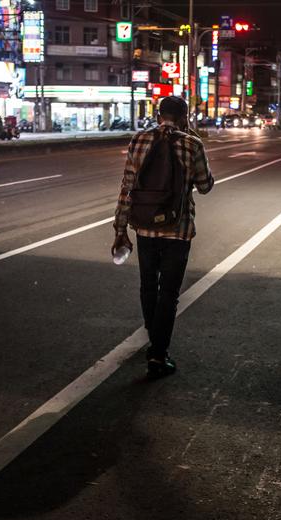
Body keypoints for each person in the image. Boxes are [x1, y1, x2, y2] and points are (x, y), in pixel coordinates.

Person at [112, 96, 214, 378]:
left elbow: (127, 187)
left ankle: (152, 334)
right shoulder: (192, 143)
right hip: (177, 230)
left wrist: (120, 229)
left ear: (159, 115)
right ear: (184, 117)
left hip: (144, 227)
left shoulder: (139, 140)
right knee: (168, 292)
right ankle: (158, 354)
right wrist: (190, 136)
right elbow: (205, 186)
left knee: (148, 285)